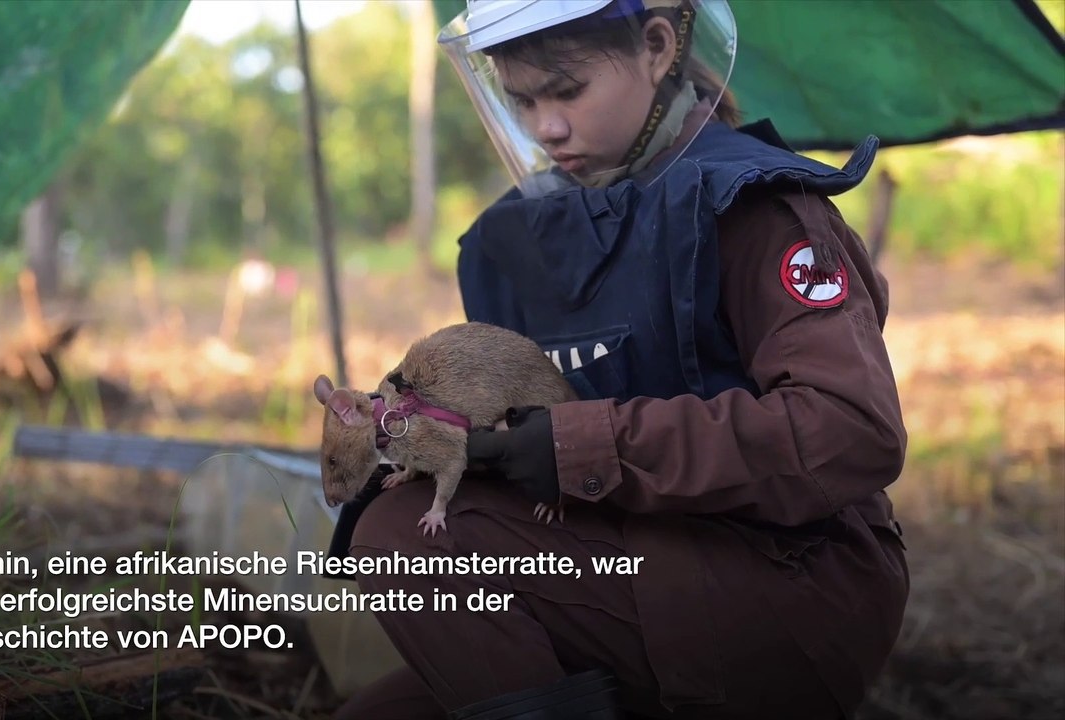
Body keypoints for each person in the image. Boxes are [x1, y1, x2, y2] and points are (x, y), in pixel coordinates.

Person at [327, 1, 909, 718]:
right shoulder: (518, 240)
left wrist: (585, 446)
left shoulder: (756, 207)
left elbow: (852, 431)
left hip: (789, 579)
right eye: (522, 100)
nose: (546, 127)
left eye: (568, 91)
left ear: (658, 47)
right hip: (623, 563)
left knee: (403, 544)